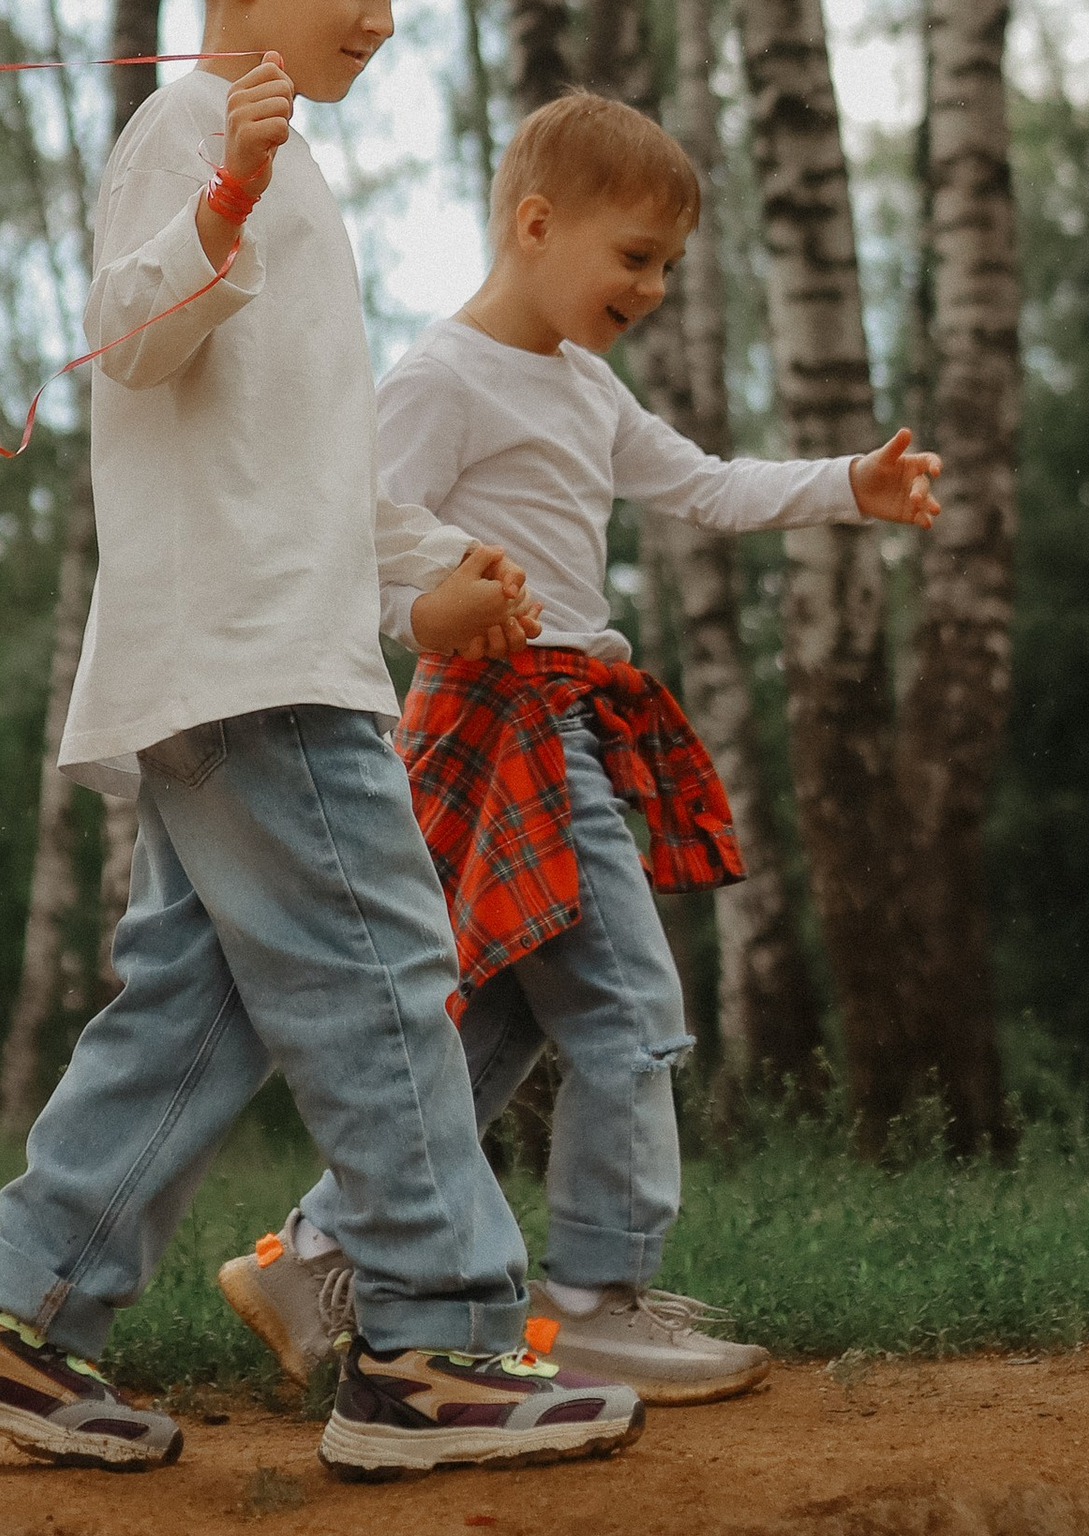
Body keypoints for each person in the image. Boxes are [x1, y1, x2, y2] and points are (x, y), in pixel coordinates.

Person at [0, 0, 644, 1480]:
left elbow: (299, 467)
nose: (379, 16)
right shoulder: (191, 127)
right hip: (257, 673)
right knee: (385, 988)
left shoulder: (286, 168)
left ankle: (6, 1323)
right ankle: (436, 1345)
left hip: (250, 655)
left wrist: (438, 565)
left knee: (195, 1016)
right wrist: (223, 182)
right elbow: (133, 346)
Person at [223, 87, 943, 1406]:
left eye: (669, 264)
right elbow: (360, 541)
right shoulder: (441, 377)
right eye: (635, 256)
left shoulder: (584, 387)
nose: (654, 285)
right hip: (503, 721)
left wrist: (850, 484)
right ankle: (597, 1301)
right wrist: (432, 608)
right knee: (631, 1013)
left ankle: (316, 1252)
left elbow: (707, 486)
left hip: (566, 725)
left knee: (494, 1011)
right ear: (538, 225)